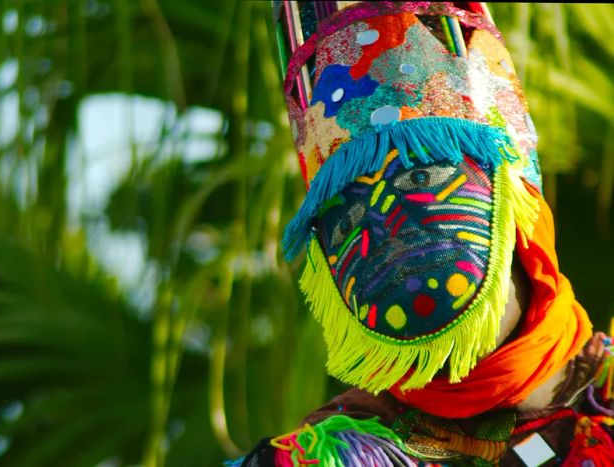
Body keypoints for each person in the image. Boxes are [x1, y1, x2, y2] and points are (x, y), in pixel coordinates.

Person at [231, 2, 614, 465]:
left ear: (516, 203)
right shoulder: (336, 457)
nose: (389, 225)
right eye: (348, 217)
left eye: (421, 179)